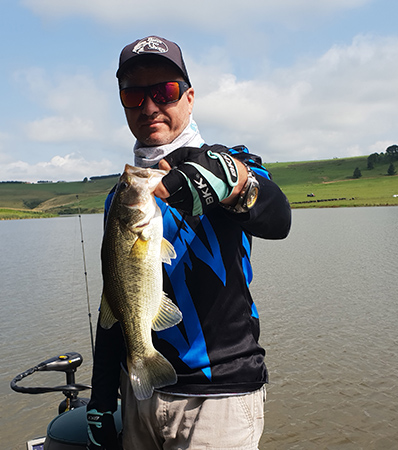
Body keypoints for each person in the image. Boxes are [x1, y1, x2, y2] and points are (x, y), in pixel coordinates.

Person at [87, 36, 292, 450]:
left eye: (164, 91)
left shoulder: (230, 163)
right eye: (133, 94)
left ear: (190, 97)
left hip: (220, 398)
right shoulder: (122, 196)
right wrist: (102, 396)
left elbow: (279, 218)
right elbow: (117, 301)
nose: (149, 106)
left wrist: (234, 183)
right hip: (139, 396)